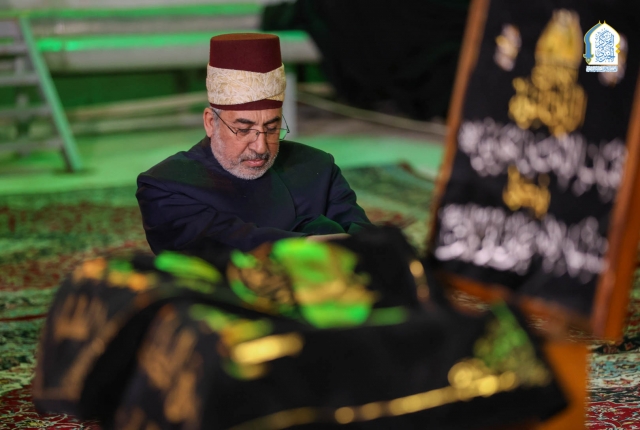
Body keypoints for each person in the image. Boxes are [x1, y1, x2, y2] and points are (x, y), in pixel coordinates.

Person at [136, 33, 371, 255]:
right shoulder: (166, 185)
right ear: (210, 122)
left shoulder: (317, 166)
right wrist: (315, 242)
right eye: (243, 130)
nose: (261, 148)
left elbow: (366, 240)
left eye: (272, 129)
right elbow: (220, 245)